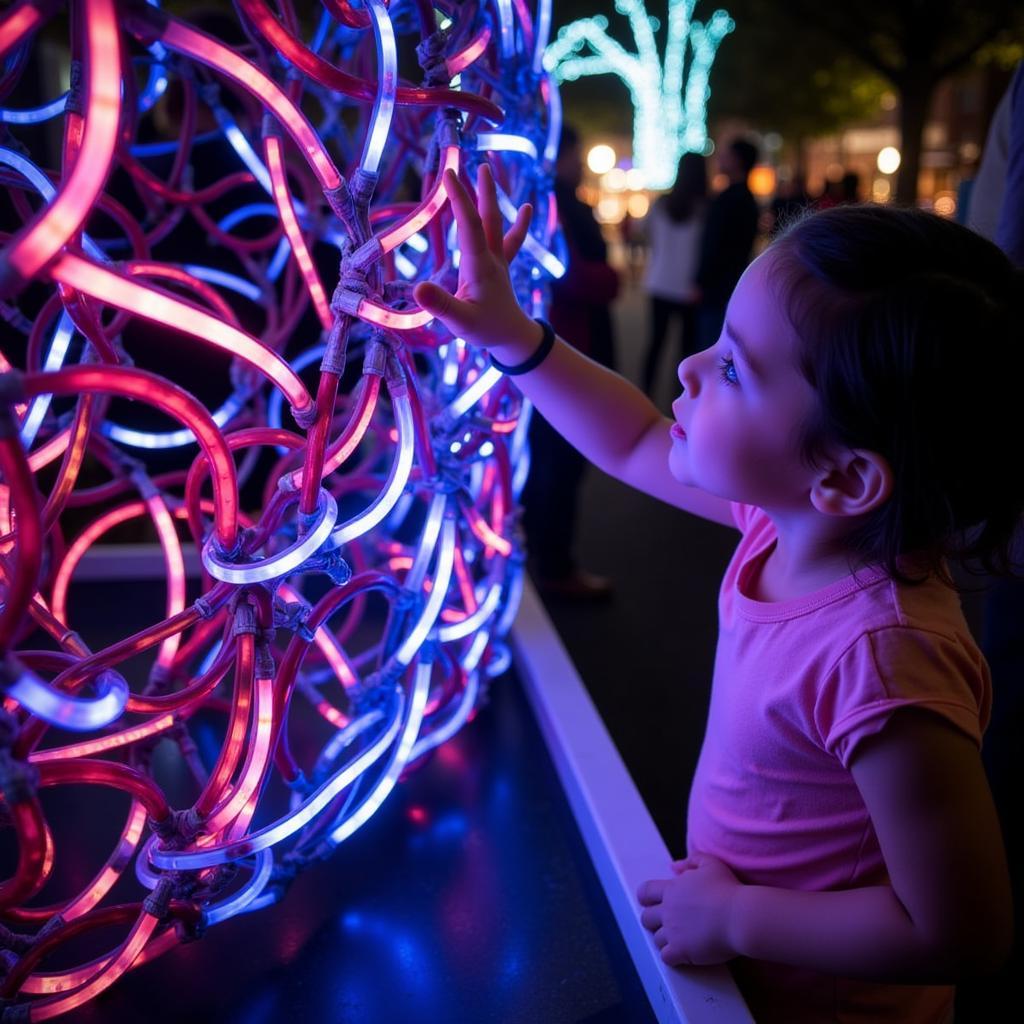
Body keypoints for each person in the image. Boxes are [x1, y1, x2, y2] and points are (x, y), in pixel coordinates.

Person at [414, 164, 1019, 1022]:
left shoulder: (885, 658)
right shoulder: (786, 524)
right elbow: (630, 441)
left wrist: (739, 915)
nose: (693, 366)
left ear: (845, 477)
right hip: (739, 978)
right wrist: (516, 337)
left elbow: (962, 929)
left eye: (735, 368)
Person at [520, 125, 619, 601]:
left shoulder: (529, 198)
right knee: (561, 462)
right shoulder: (558, 206)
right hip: (567, 346)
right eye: (575, 153)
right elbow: (578, 278)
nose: (579, 162)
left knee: (544, 458)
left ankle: (538, 559)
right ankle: (555, 568)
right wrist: (611, 278)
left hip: (542, 350)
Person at [640, 153, 707, 400]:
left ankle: (644, 394)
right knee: (685, 351)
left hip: (658, 282)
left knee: (655, 345)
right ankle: (679, 401)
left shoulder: (661, 204)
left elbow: (644, 233)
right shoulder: (704, 209)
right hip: (688, 288)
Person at [693, 137, 760, 351]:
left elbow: (714, 246)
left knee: (711, 347)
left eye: (726, 155)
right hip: (730, 284)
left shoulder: (729, 200)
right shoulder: (746, 199)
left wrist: (700, 280)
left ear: (738, 161)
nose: (720, 159)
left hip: (717, 289)